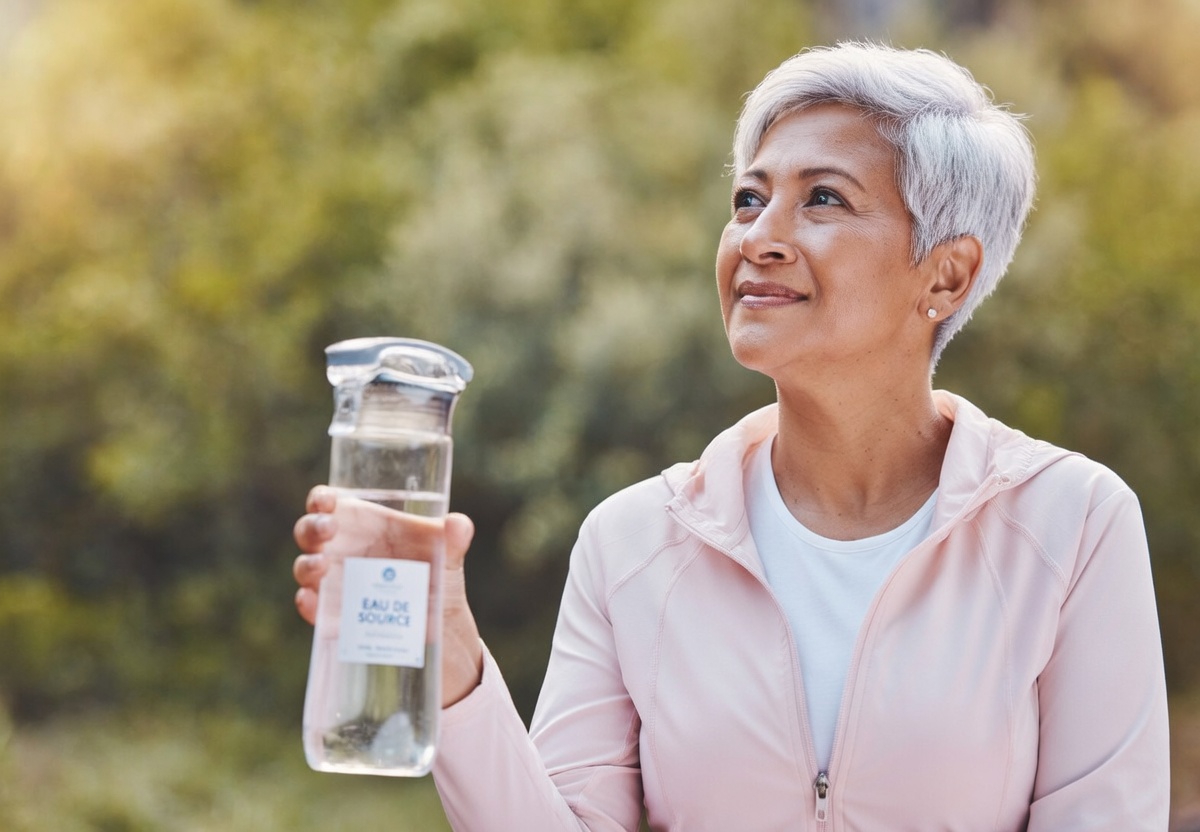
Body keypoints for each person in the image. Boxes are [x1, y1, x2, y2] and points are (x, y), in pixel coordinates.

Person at [293, 42, 1170, 830]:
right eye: (749, 199)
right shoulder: (631, 542)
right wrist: (450, 654)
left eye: (823, 198)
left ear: (946, 273)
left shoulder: (1072, 524)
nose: (760, 236)